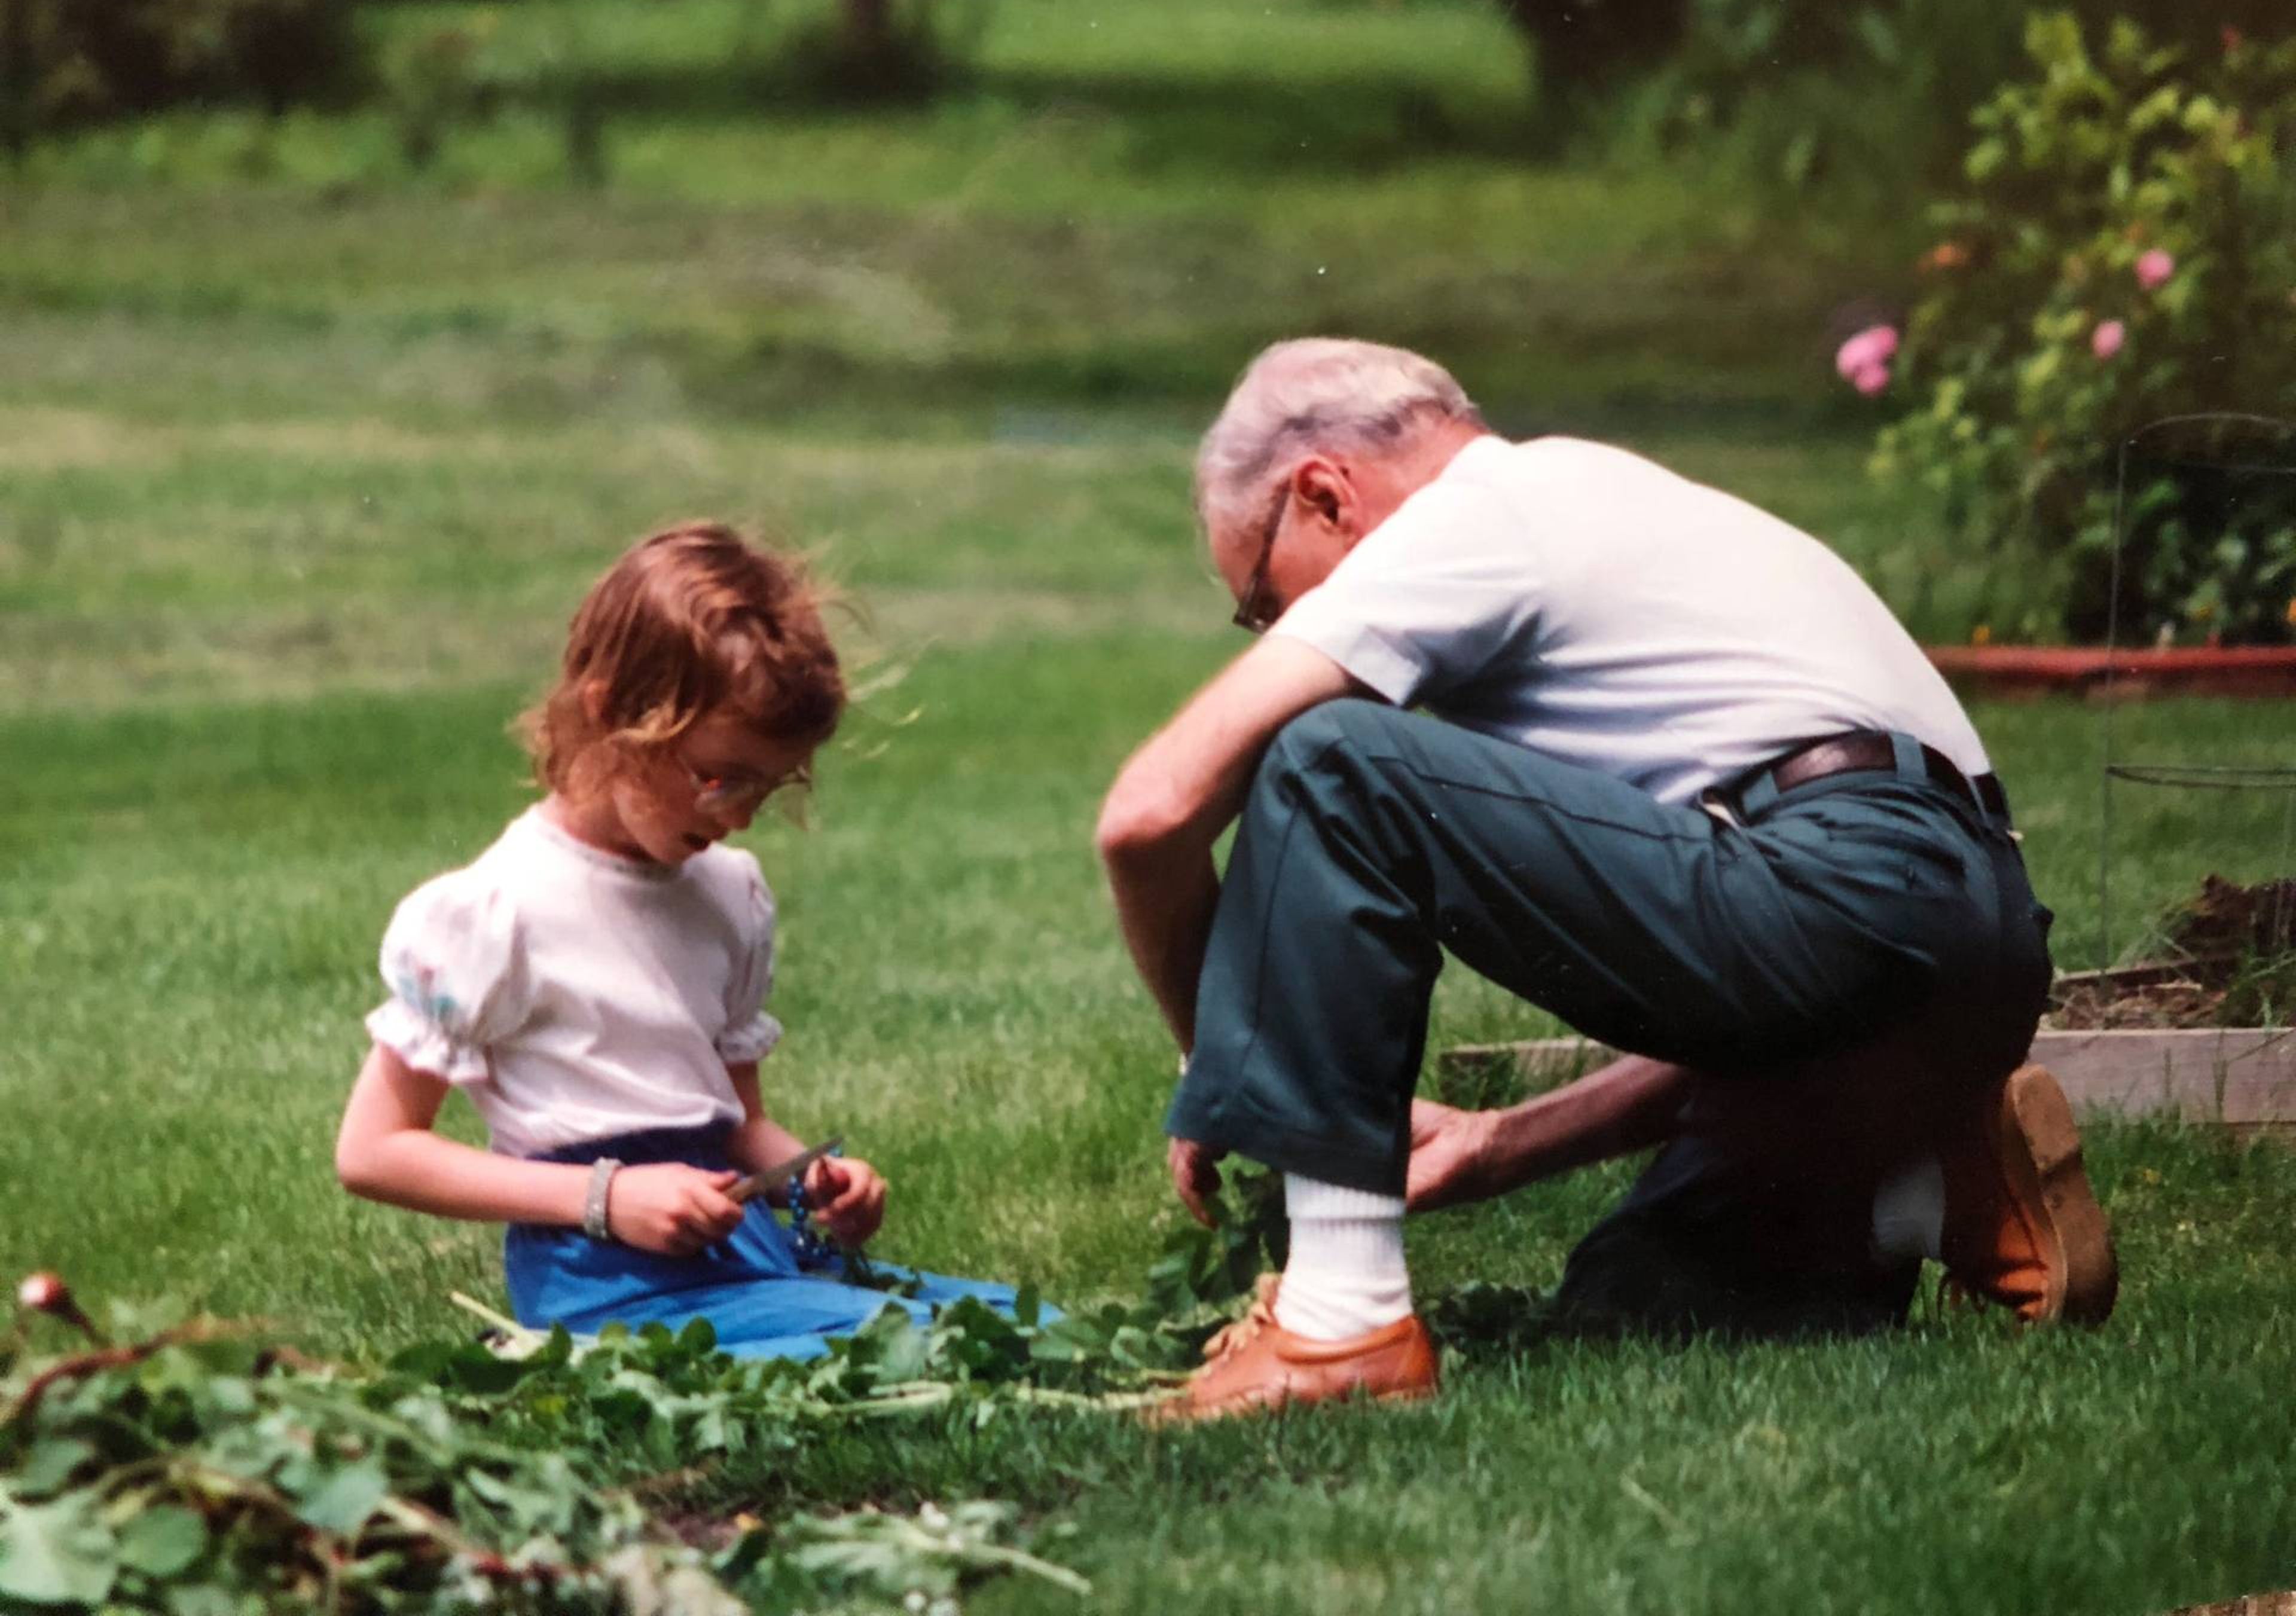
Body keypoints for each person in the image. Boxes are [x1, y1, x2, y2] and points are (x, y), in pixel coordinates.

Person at [1096, 338, 2117, 1422]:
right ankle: (1928, 1175)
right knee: (1638, 1300)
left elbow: (1147, 816)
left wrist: (1227, 1052)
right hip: (1963, 946)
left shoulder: (1471, 516)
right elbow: (1741, 971)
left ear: (1323, 495)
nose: (1275, 631)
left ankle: (1341, 1325)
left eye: (1262, 601)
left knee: (1336, 761)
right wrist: (1497, 1147)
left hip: (1849, 886)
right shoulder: (1613, 504)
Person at [335, 522, 1033, 1361]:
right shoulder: (495, 912)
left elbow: (738, 1124)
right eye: (718, 776)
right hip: (605, 1283)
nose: (739, 815)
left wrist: (812, 1180)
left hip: (742, 1246)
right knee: (919, 1355)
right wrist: (607, 1198)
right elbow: (375, 1153)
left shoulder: (727, 893)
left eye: (768, 787)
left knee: (1021, 1327)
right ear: (610, 713)